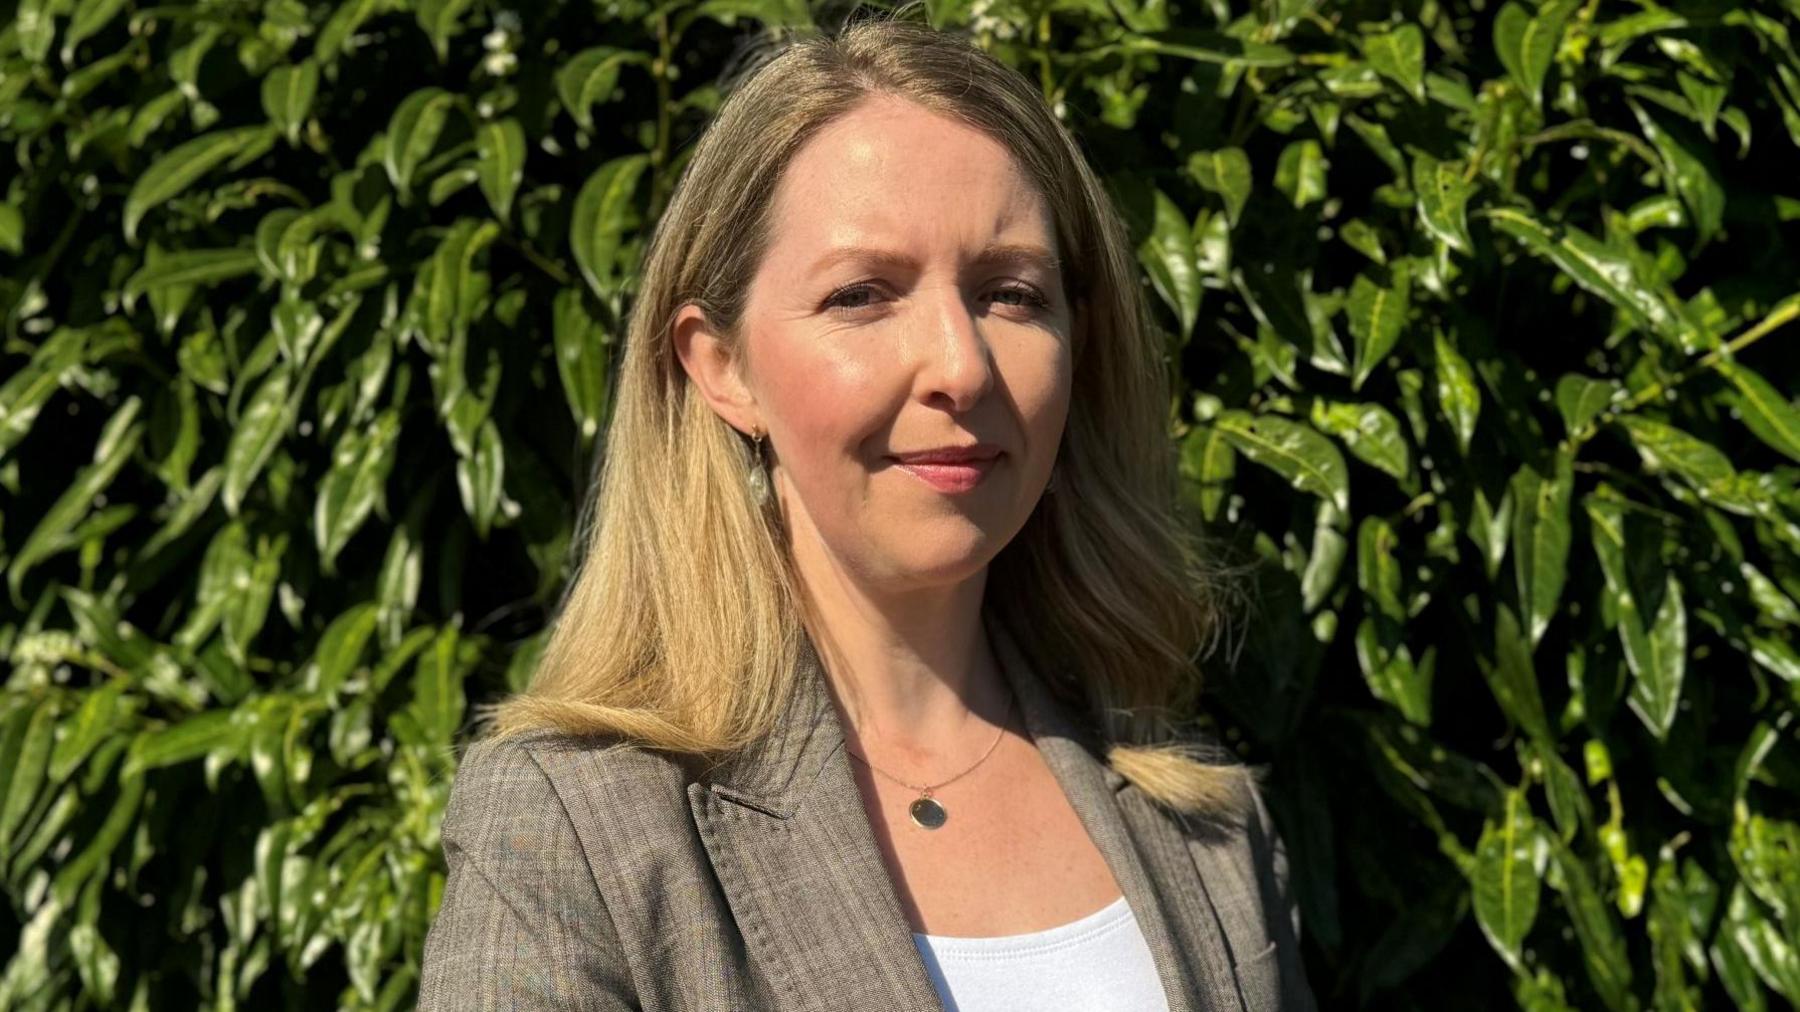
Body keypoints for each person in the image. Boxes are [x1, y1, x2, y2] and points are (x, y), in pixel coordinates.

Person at [418, 9, 1317, 1011]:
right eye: (862, 295)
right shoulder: (576, 830)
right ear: (722, 368)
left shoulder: (1206, 826)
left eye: (1012, 293)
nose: (961, 364)